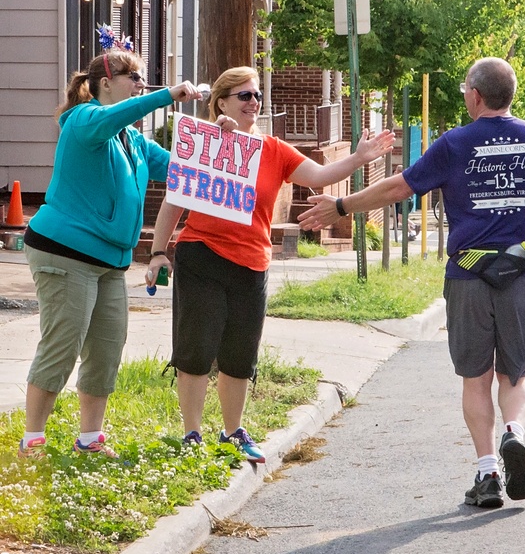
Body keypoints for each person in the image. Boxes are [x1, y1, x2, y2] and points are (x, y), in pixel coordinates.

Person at [299, 57, 525, 508]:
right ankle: (515, 433)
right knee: (517, 372)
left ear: (475, 95)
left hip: (470, 272)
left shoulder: (454, 143)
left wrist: (341, 207)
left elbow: (399, 188)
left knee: (476, 377)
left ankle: (489, 472)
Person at [147, 67, 393, 463]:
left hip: (252, 261)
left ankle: (232, 432)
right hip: (202, 254)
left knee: (240, 353)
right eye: (244, 95)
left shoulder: (274, 150)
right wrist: (159, 251)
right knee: (195, 347)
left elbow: (321, 174)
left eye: (257, 96)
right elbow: (175, 200)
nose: (254, 102)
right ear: (222, 102)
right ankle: (191, 433)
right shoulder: (207, 143)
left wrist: (359, 157)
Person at [18, 42, 204, 460]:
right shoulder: (82, 120)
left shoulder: (133, 142)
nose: (141, 84)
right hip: (64, 252)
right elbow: (113, 117)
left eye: (143, 78)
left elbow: (183, 169)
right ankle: (32, 440)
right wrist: (169, 94)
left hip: (109, 262)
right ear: (106, 83)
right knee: (63, 344)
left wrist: (219, 141)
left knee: (106, 347)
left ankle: (90, 438)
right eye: (133, 78)